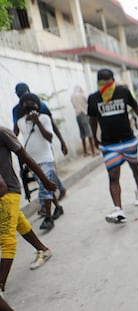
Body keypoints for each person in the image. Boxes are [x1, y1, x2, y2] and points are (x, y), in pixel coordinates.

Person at [87, 68, 138, 224]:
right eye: (102, 82)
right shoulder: (93, 99)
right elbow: (92, 119)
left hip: (128, 140)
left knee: (135, 168)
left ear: (113, 80)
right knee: (113, 175)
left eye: (108, 81)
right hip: (109, 144)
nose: (106, 85)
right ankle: (118, 210)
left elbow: (137, 109)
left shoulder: (123, 92)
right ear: (98, 83)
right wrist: (94, 137)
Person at [0, 125, 56, 303]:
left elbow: (24, 156)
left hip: (7, 192)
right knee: (19, 223)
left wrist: (45, 181)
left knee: (7, 240)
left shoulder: (2, 132)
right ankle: (43, 249)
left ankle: (0, 284)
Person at [17, 93, 64, 230]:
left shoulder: (44, 118)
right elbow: (14, 136)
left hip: (46, 159)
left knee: (44, 187)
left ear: (38, 105)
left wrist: (37, 122)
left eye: (32, 102)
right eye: (26, 103)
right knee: (47, 185)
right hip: (32, 161)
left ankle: (48, 218)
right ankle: (58, 207)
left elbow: (49, 137)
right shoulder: (20, 122)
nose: (29, 105)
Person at [13, 83, 67, 201]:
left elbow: (51, 124)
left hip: (44, 146)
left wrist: (62, 141)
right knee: (46, 174)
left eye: (25, 95)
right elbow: (15, 130)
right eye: (21, 96)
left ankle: (46, 204)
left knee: (47, 171)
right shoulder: (17, 110)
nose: (27, 102)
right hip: (31, 151)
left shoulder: (39, 104)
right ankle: (59, 189)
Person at [70, 85, 97, 157]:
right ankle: (93, 152)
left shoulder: (72, 97)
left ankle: (85, 152)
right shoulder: (82, 95)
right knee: (89, 133)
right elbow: (87, 103)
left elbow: (73, 106)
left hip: (77, 115)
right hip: (83, 113)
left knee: (82, 134)